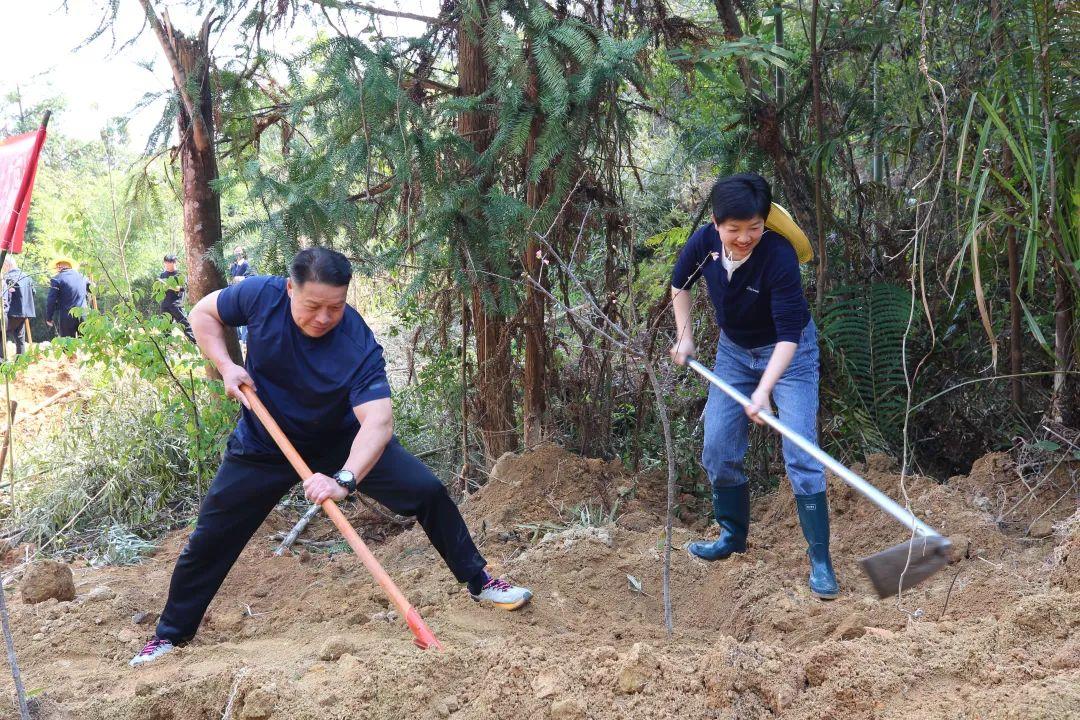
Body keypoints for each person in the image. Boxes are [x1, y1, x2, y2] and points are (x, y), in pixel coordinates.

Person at [130, 247, 533, 666]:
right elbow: (202, 313)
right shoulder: (259, 296)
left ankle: (479, 580)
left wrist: (344, 479)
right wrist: (226, 365)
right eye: (313, 306)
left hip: (341, 442)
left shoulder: (356, 343)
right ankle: (169, 638)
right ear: (289, 289)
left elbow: (377, 422)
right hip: (264, 442)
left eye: (335, 307)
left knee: (427, 490)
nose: (324, 317)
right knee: (211, 538)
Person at [669, 173, 838, 600]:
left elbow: (788, 336)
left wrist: (764, 390)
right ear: (716, 223)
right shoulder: (704, 243)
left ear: (765, 223)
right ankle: (731, 537)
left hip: (790, 356)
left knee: (801, 452)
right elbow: (679, 284)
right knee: (718, 448)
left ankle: (820, 560)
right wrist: (685, 335)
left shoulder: (778, 256)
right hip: (734, 354)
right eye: (734, 229)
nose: (744, 238)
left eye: (754, 228)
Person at [45, 257, 90, 338]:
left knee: (67, 345)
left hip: (67, 317)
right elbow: (93, 290)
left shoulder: (56, 279)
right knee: (86, 343)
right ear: (70, 266)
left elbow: (51, 300)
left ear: (58, 266)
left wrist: (49, 317)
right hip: (83, 315)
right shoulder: (83, 277)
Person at [2, 256, 35, 356]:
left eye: (3, 266)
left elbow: (5, 296)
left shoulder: (7, 278)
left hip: (10, 313)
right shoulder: (27, 277)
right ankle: (20, 362)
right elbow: (33, 292)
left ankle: (2, 361)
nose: (3, 268)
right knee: (20, 338)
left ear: (7, 265)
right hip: (24, 313)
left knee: (2, 336)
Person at [158, 253, 195, 342]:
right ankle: (165, 348)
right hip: (165, 304)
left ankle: (196, 343)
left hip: (176, 305)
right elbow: (160, 289)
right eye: (165, 263)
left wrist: (168, 285)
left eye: (169, 263)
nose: (166, 265)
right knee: (165, 328)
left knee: (185, 326)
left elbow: (182, 288)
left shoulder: (180, 275)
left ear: (175, 263)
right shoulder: (162, 275)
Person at [228, 247, 253, 343]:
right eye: (236, 251)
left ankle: (245, 340)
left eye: (239, 251)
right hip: (234, 294)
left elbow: (253, 277)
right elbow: (230, 278)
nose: (237, 253)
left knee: (245, 316)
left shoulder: (247, 264)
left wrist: (240, 278)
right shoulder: (233, 266)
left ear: (243, 253)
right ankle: (239, 338)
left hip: (245, 293)